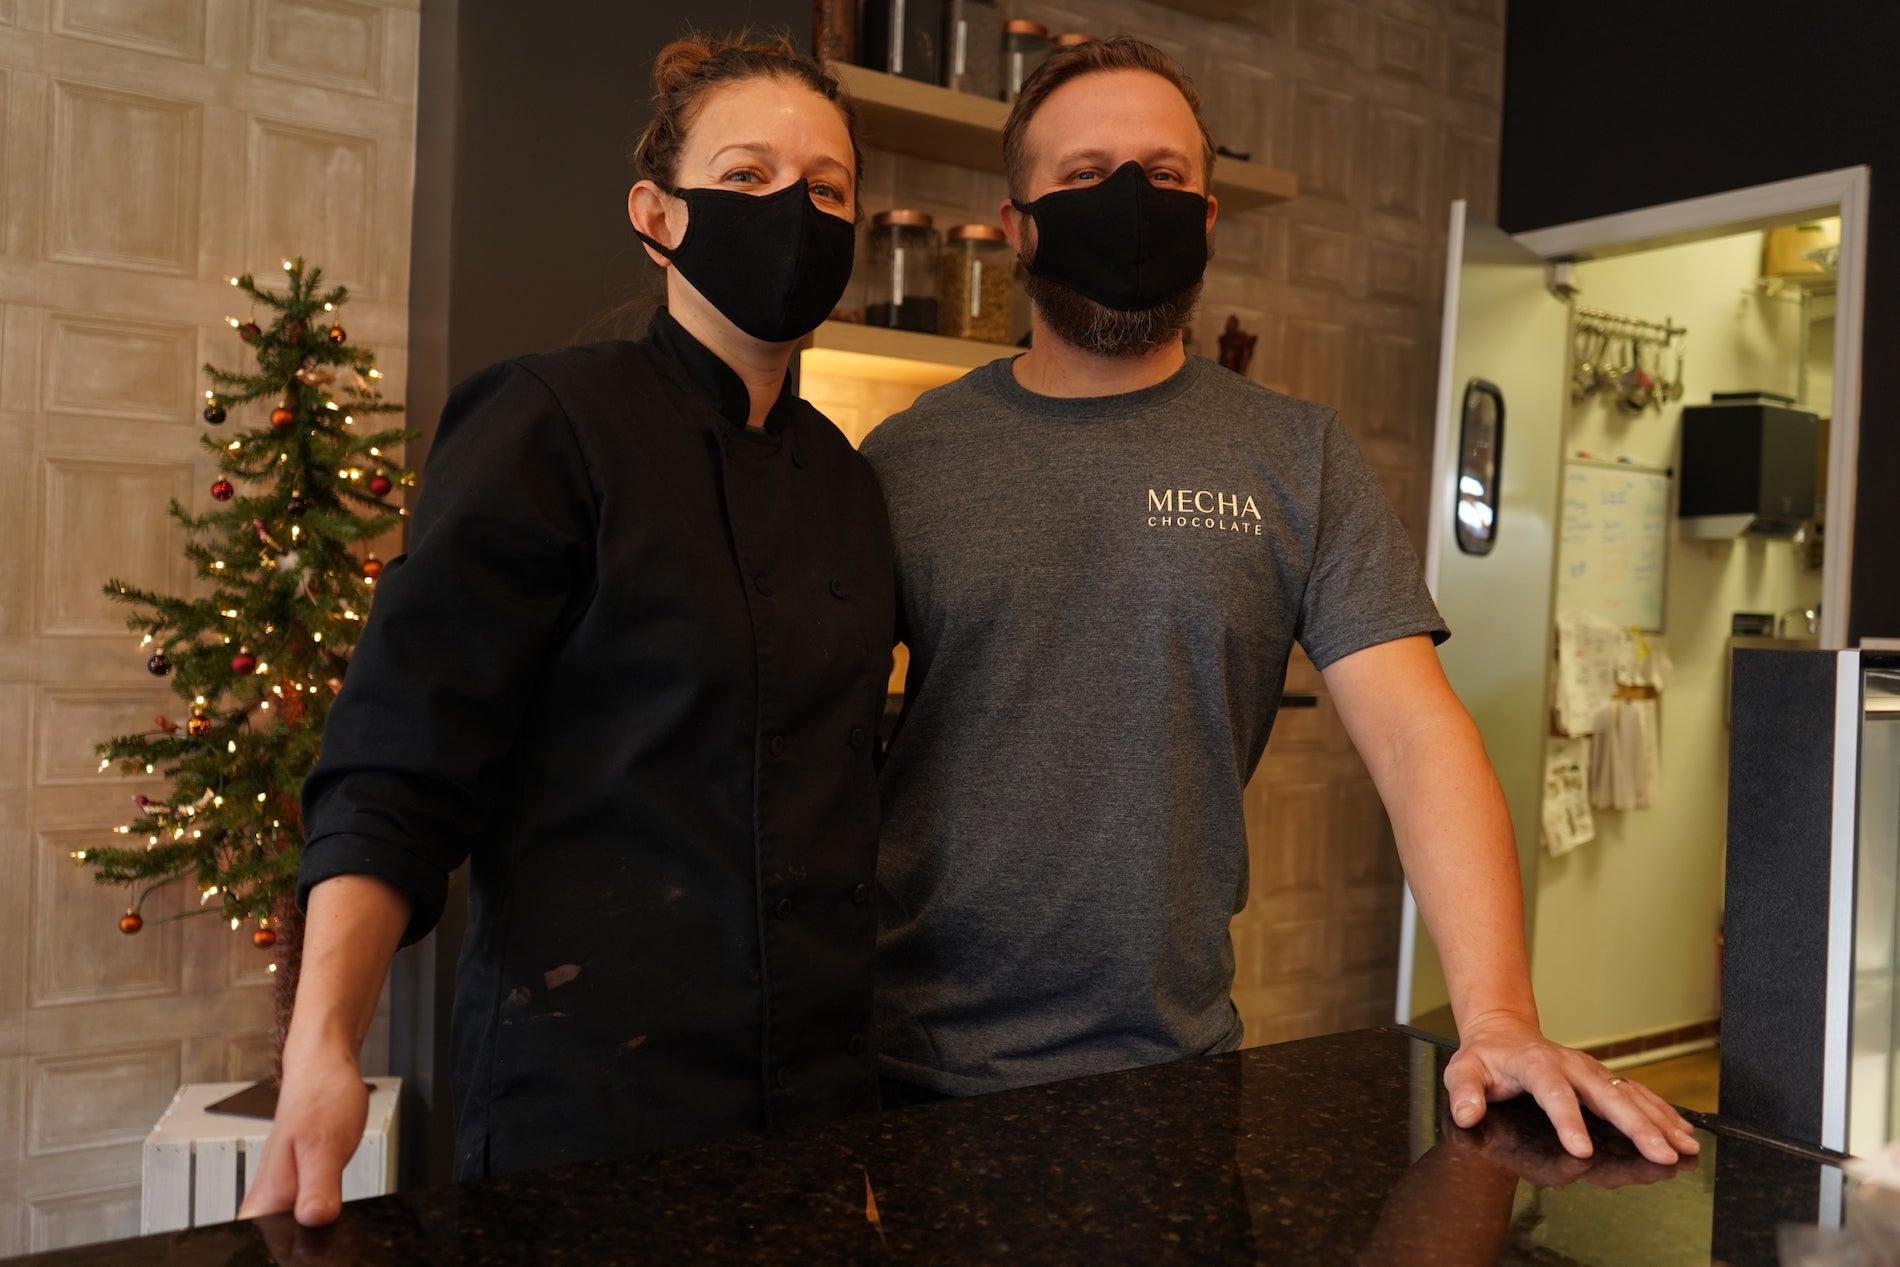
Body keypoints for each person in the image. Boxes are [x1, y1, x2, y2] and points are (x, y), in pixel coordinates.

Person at [859, 36, 1699, 1167]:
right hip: (907, 1072)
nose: (1125, 198)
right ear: (1015, 226)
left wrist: (1497, 1018)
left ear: (1206, 217)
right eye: (1082, 172)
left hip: (1175, 1067)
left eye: (1161, 175)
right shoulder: (907, 458)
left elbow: (1414, 735)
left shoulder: (1296, 456)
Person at [241, 34, 893, 1226]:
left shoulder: (848, 485)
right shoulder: (549, 422)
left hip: (814, 1103)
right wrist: (321, 1044)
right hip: (589, 1108)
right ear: (657, 213)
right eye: (746, 177)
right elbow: (399, 760)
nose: (792, 209)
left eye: (827, 188)